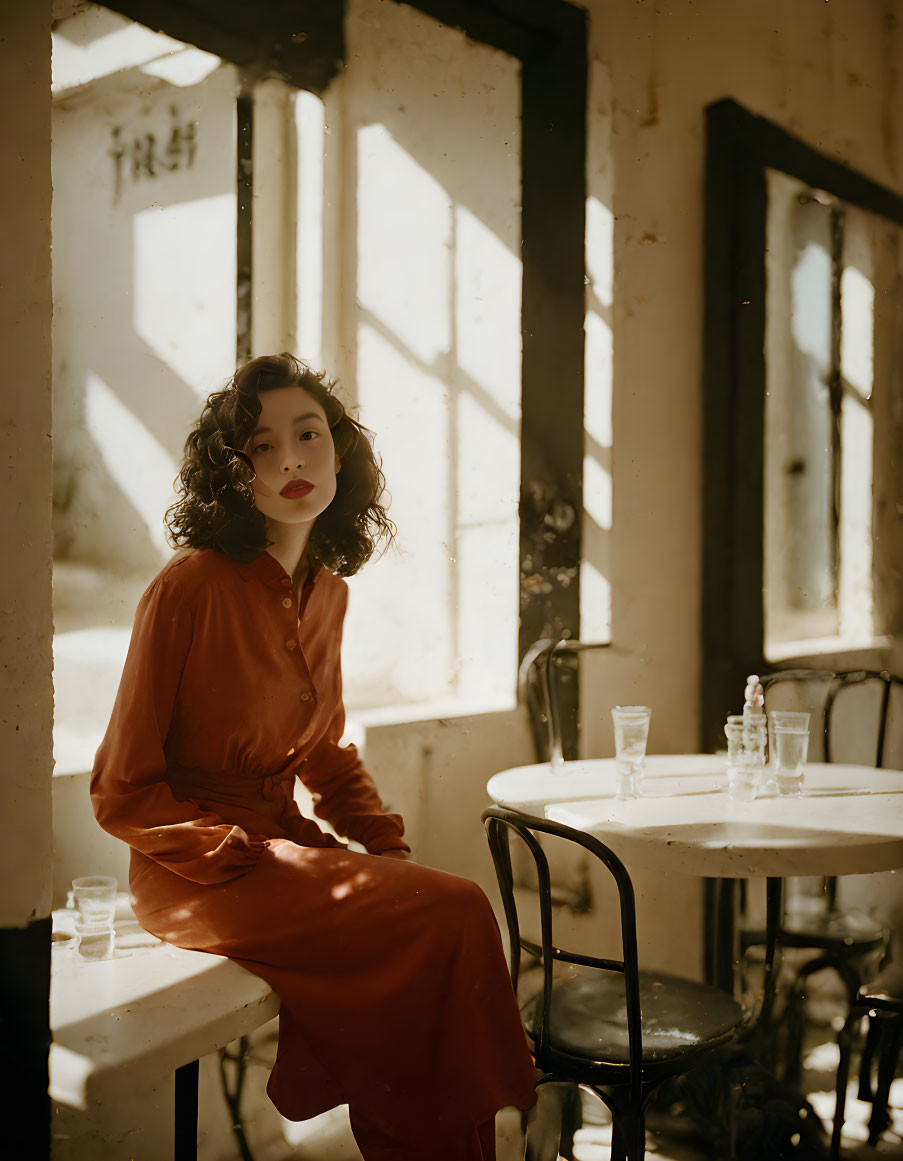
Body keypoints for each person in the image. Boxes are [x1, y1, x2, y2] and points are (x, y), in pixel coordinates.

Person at [90, 353, 538, 1161]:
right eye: (261, 446)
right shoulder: (187, 587)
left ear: (341, 452)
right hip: (195, 871)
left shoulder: (328, 590)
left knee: (435, 935)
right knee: (456, 910)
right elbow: (119, 788)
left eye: (309, 434)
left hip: (279, 846)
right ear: (232, 472)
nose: (292, 459)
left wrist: (385, 846)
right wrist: (225, 846)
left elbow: (325, 750)